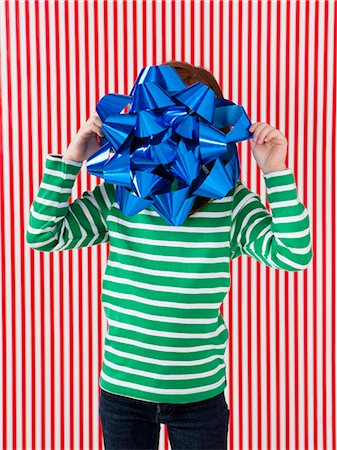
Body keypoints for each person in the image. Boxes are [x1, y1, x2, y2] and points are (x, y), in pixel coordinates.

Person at [26, 60, 312, 450]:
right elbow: (42, 234)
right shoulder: (119, 196)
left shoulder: (228, 204)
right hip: (123, 394)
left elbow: (294, 254)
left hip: (200, 398)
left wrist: (275, 173)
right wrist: (72, 159)